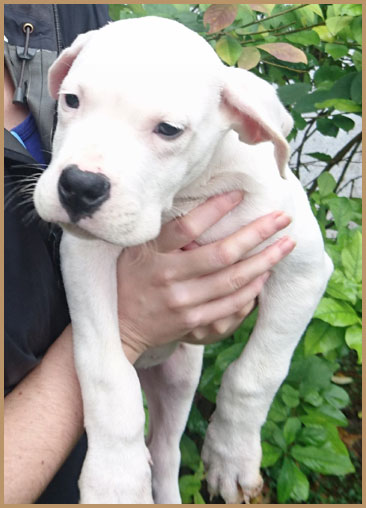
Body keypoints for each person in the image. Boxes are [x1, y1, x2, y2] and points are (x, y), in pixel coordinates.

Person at [4, 5, 295, 504]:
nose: (81, 174)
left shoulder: (63, 12)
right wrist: (133, 331)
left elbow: (307, 267)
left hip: (153, 372)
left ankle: (166, 480)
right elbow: (84, 253)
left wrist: (243, 407)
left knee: (180, 376)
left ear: (248, 123)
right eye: (73, 101)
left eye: (166, 129)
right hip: (48, 463)